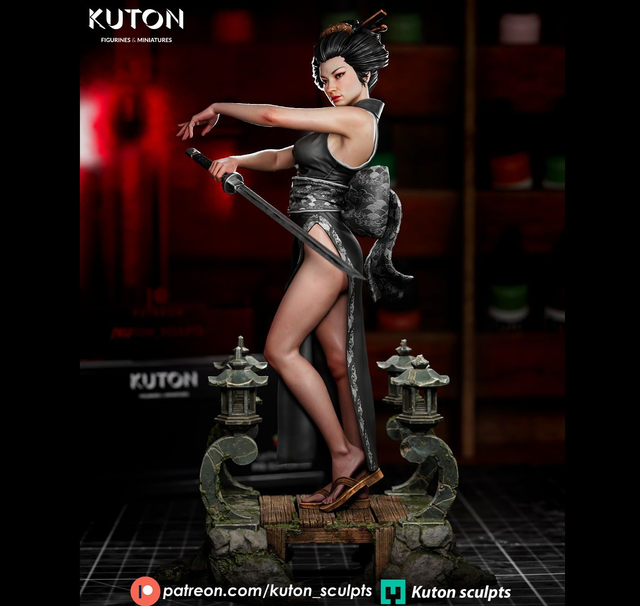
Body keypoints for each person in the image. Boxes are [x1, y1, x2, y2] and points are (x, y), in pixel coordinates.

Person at [177, 10, 412, 512]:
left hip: (327, 253)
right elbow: (282, 154)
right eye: (324, 79)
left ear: (364, 75)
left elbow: (271, 116)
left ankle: (345, 454)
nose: (331, 87)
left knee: (280, 349)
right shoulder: (331, 125)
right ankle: (352, 470)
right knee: (336, 362)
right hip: (322, 248)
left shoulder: (358, 119)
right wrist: (238, 160)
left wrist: (218, 106)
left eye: (339, 75)